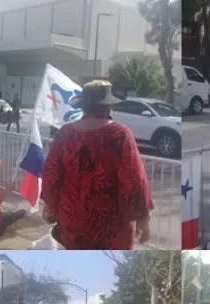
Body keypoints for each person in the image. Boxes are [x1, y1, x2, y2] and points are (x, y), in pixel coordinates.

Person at [40, 80, 154, 249]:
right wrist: (143, 217)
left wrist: (49, 205)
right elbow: (134, 180)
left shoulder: (65, 133)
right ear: (108, 107)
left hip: (72, 222)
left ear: (84, 106)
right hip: (110, 225)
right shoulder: (119, 134)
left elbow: (51, 175)